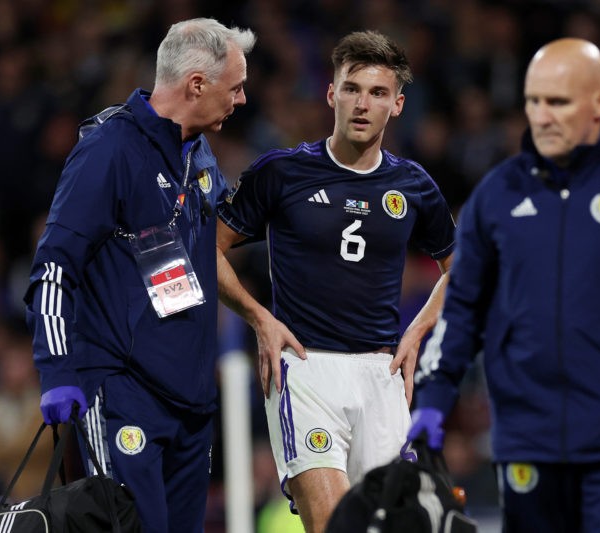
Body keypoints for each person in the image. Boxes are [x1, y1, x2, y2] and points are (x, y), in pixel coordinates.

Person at [407, 37, 600, 533]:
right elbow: (463, 306)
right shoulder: (497, 195)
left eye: (558, 101)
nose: (542, 115)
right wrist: (435, 397)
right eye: (533, 101)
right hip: (527, 438)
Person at [216, 30, 455, 533]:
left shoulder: (413, 185)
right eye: (352, 89)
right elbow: (206, 248)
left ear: (398, 105)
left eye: (378, 93)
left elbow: (464, 270)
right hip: (305, 371)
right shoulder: (280, 174)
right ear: (332, 94)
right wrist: (259, 317)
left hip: (382, 376)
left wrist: (418, 332)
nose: (363, 104)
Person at [23, 18, 255, 533]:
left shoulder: (197, 151)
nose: (241, 100)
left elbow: (215, 238)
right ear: (197, 85)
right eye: (235, 87)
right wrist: (57, 371)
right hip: (123, 392)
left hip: (191, 403)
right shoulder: (108, 149)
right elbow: (55, 265)